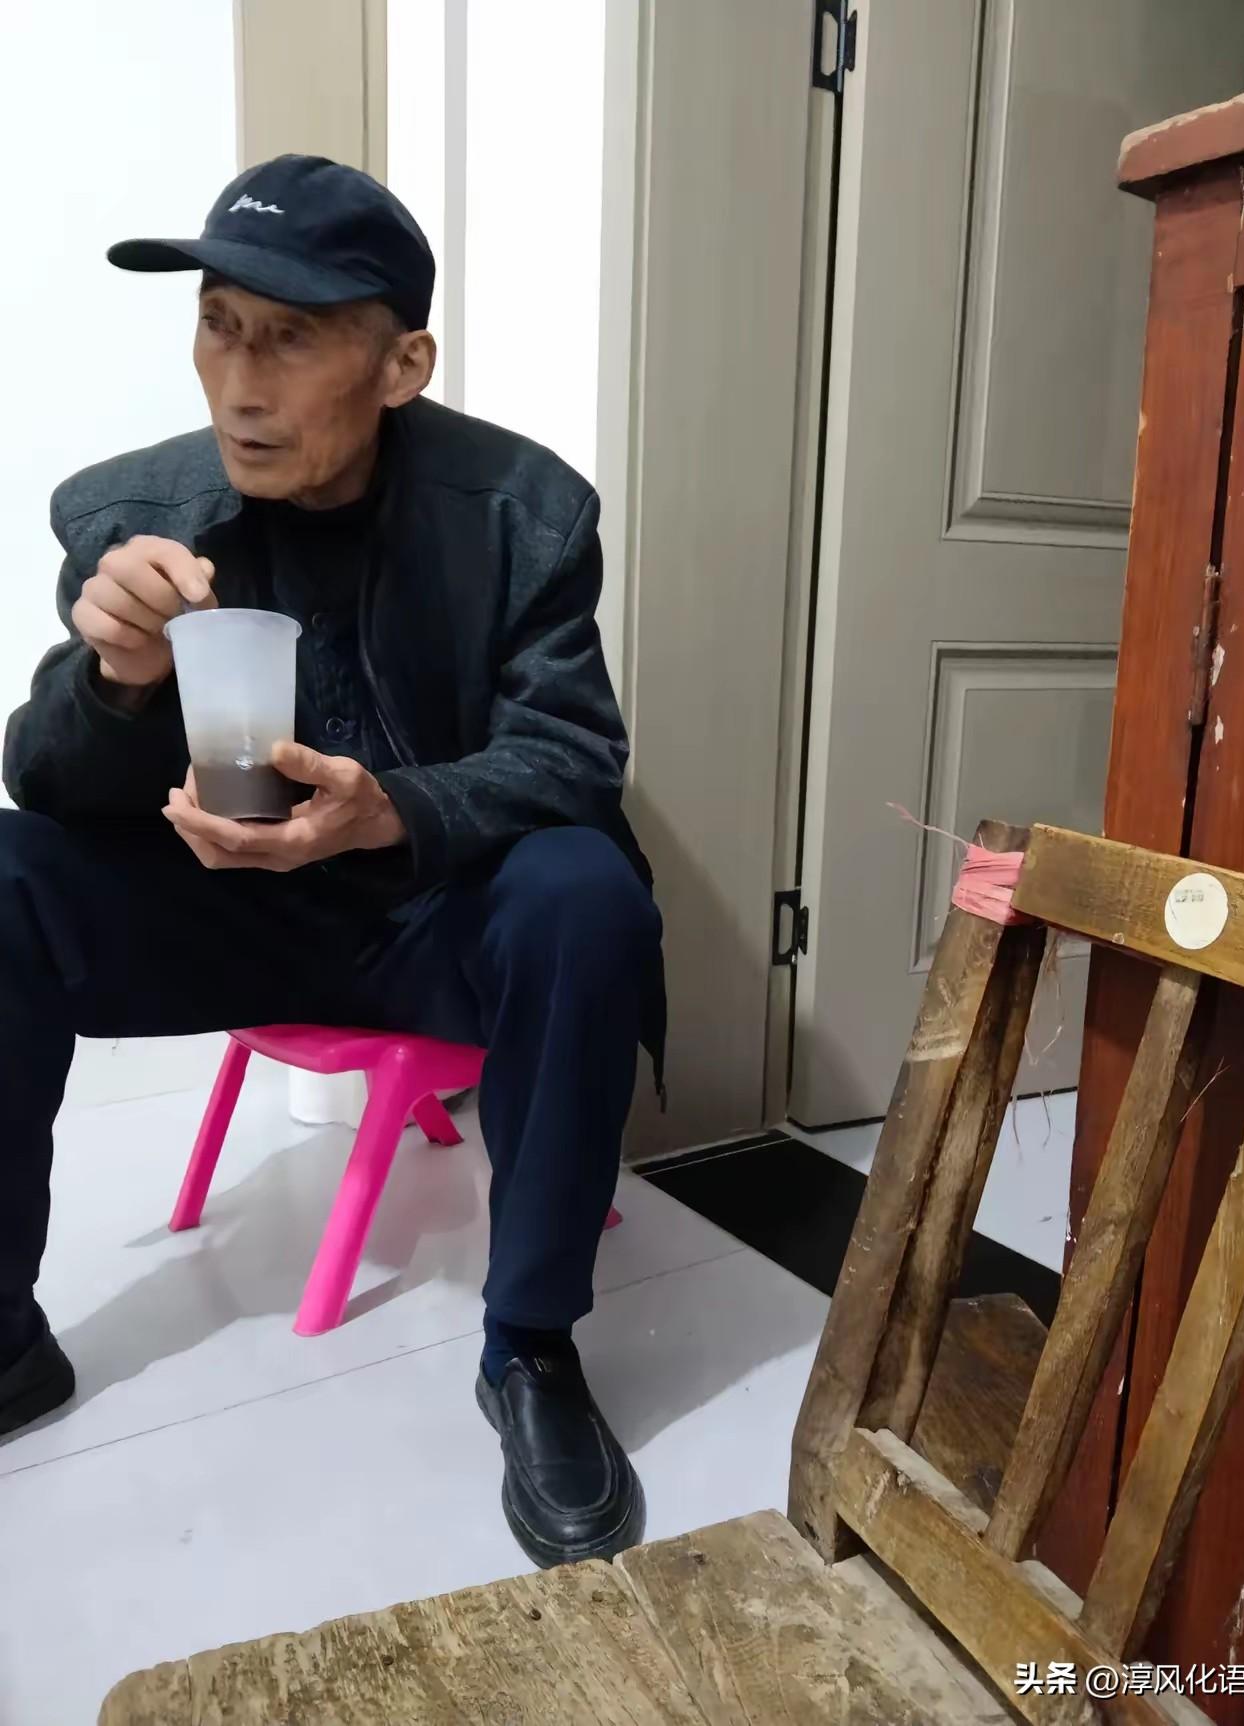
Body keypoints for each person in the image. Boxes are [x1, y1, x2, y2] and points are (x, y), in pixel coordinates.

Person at [0, 155, 665, 1571]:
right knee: (2, 873)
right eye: (219, 324)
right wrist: (114, 682)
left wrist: (391, 809)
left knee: (585, 890)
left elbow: (573, 756)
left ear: (402, 363)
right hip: (233, 914)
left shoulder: (523, 510)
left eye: (292, 337)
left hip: (434, 917)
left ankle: (532, 1346)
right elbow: (45, 783)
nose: (240, 383)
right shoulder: (138, 515)